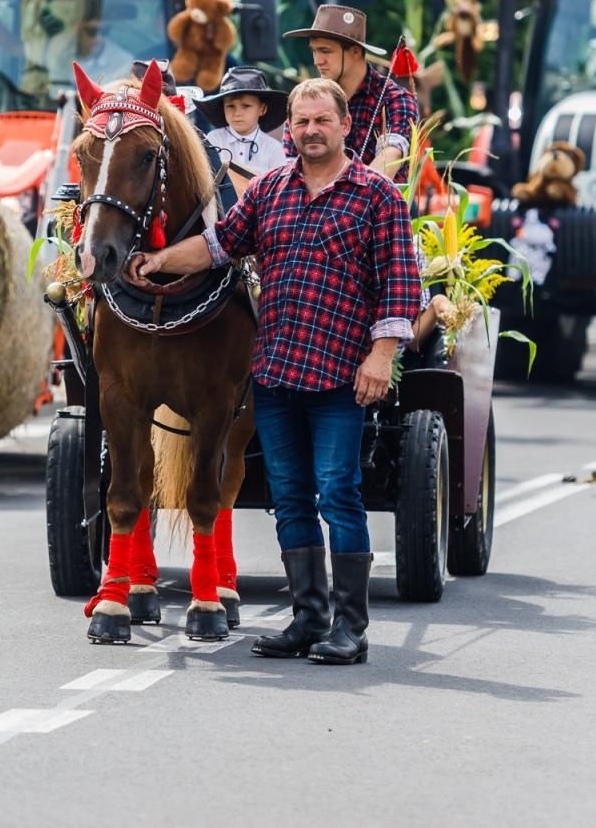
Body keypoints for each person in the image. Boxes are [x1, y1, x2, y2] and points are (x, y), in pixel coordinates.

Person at [134, 77, 423, 665]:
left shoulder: (376, 196)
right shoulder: (269, 191)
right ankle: (308, 619)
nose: (312, 131)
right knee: (290, 498)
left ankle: (349, 627)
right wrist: (160, 260)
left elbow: (401, 286)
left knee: (338, 495)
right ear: (287, 130)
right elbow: (217, 247)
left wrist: (382, 355)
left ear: (344, 125)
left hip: (342, 376)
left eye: (322, 120)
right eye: (302, 122)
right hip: (277, 374)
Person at [282, 4, 419, 178]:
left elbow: (390, 158)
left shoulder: (394, 99)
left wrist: (350, 198)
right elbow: (291, 166)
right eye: (314, 51)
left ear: (355, 51)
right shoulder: (305, 103)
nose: (317, 61)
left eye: (325, 51)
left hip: (377, 202)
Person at [194, 66, 290, 176]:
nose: (237, 113)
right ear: (223, 108)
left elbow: (279, 187)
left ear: (262, 109)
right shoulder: (214, 140)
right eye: (230, 106)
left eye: (246, 106)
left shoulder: (273, 148)